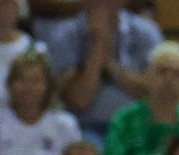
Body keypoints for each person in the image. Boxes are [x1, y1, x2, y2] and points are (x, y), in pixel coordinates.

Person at [39, 0, 162, 142]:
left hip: (137, 128)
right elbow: (79, 101)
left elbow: (154, 92)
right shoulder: (65, 34)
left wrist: (110, 65)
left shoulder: (147, 32)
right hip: (84, 129)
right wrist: (98, 43)